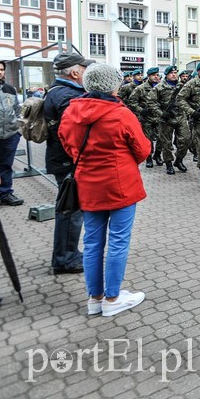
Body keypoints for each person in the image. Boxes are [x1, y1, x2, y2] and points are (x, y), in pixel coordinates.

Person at [58, 63, 149, 316]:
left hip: (87, 184)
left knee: (92, 242)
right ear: (113, 85)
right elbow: (142, 149)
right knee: (118, 242)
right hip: (120, 184)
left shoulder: (71, 112)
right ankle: (112, 299)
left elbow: (68, 145)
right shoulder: (120, 113)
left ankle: (95, 297)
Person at [44, 49, 95, 274]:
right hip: (68, 162)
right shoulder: (67, 95)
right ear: (75, 73)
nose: (86, 73)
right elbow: (73, 133)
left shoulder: (60, 91)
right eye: (84, 69)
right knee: (70, 211)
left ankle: (66, 254)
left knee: (70, 210)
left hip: (64, 160)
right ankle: (65, 259)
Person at [154, 65, 190, 174]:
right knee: (167, 143)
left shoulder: (183, 86)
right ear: (167, 75)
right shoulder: (159, 87)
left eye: (175, 73)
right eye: (171, 73)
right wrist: (161, 113)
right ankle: (169, 163)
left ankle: (179, 160)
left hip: (180, 116)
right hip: (166, 118)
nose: (174, 75)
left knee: (185, 139)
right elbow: (151, 103)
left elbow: (189, 99)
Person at [0, 60, 24, 206]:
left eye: (1, 69)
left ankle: (6, 193)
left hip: (10, 135)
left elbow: (17, 110)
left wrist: (18, 131)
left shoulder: (9, 89)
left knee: (6, 165)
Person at [128, 67, 162, 167]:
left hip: (159, 116)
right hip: (147, 117)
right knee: (148, 138)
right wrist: (141, 110)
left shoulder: (161, 87)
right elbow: (132, 101)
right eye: (153, 75)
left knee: (162, 137)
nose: (156, 77)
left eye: (157, 75)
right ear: (149, 76)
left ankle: (157, 154)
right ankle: (149, 157)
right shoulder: (140, 88)